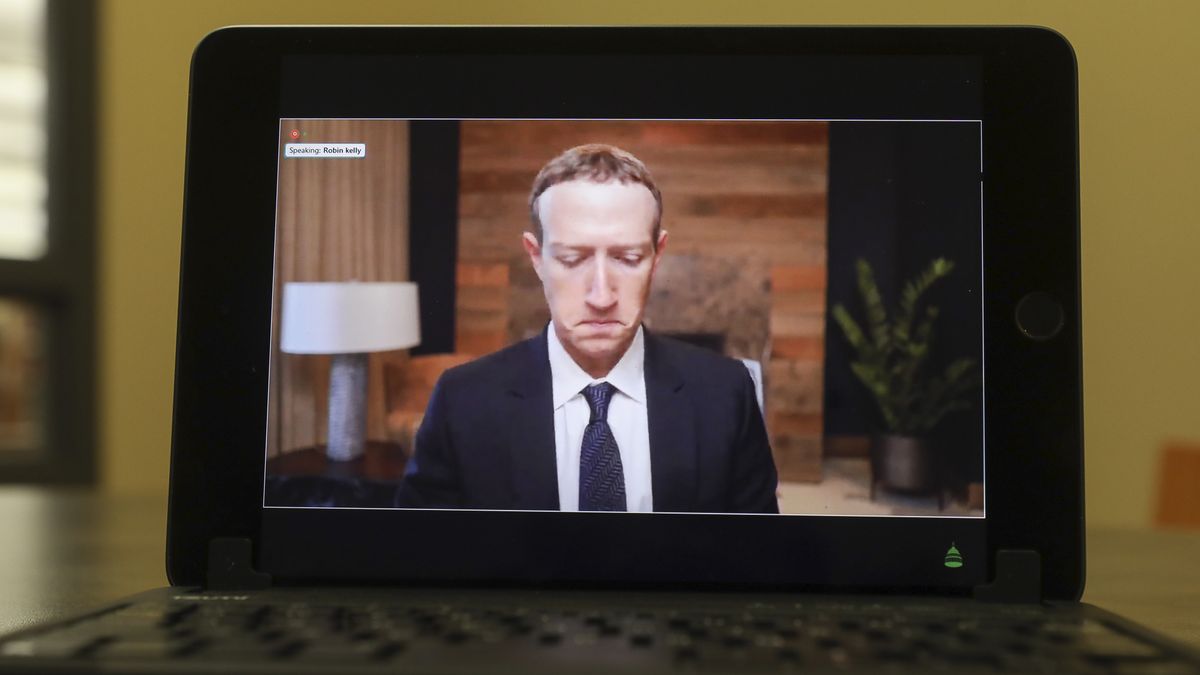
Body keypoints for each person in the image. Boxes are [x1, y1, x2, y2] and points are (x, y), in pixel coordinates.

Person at [395, 144, 778, 513]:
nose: (601, 295)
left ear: (657, 256)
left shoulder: (727, 394)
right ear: (537, 258)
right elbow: (423, 557)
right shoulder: (462, 401)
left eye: (627, 258)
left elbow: (759, 558)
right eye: (572, 258)